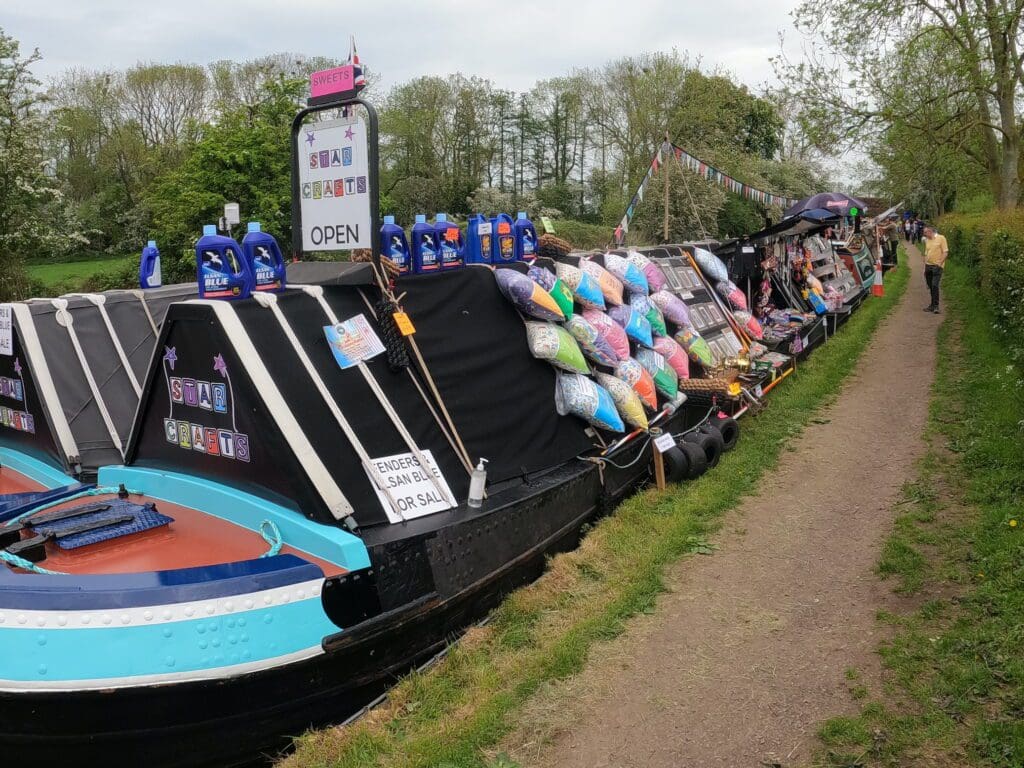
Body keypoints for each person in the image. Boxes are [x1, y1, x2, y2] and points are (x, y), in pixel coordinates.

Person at [922, 225, 948, 313]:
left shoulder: (941, 238)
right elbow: (926, 253)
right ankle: (932, 305)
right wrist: (924, 266)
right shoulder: (927, 240)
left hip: (937, 266)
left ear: (930, 231)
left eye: (925, 232)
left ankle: (936, 306)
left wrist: (940, 263)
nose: (924, 234)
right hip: (928, 266)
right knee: (930, 286)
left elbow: (945, 252)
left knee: (934, 285)